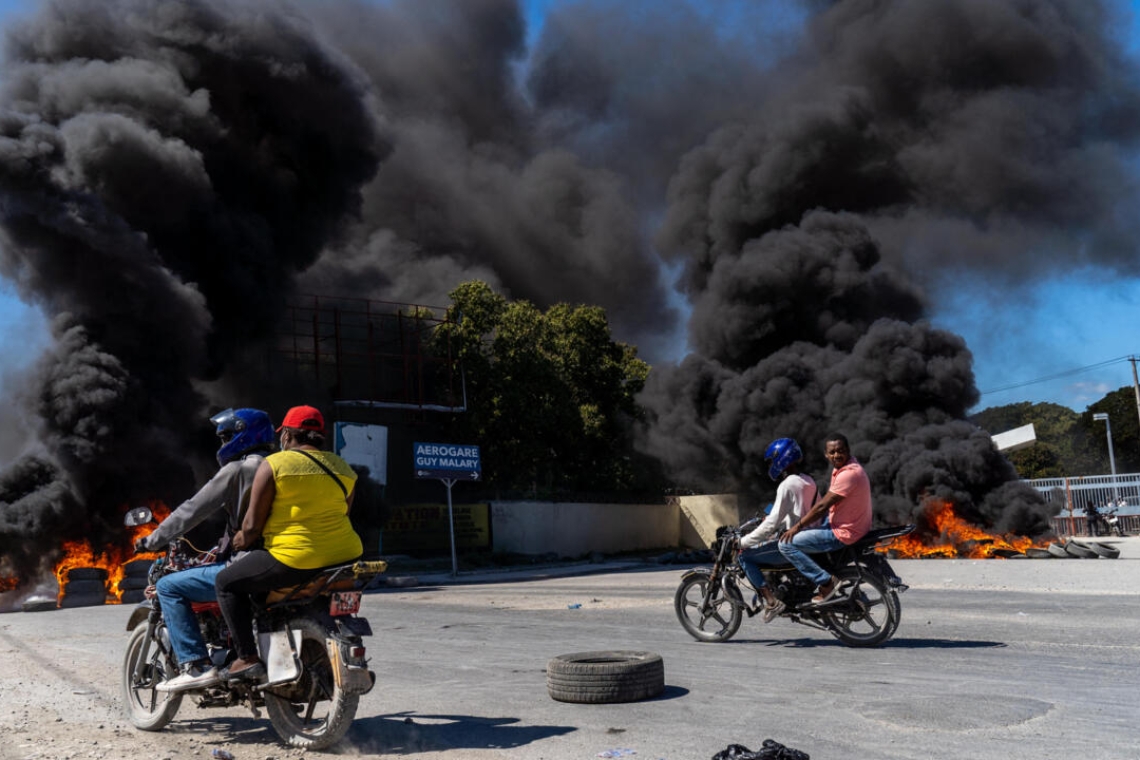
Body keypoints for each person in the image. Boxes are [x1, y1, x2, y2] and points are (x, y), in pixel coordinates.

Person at [215, 405, 363, 682]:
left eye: (283, 435)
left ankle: (246, 658)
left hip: (295, 558)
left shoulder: (274, 464)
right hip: (345, 556)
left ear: (288, 436)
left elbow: (251, 526)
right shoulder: (344, 469)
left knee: (226, 582)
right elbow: (343, 512)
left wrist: (238, 541)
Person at [133, 408, 275, 692]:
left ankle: (195, 664)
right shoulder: (282, 465)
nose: (223, 445)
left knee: (169, 587)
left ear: (242, 436)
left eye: (227, 437)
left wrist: (153, 539)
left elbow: (192, 510)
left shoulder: (238, 470)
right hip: (284, 558)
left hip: (251, 562)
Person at [778, 433, 872, 604]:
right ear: (826, 455)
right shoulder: (849, 466)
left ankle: (826, 583)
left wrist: (796, 527)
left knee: (785, 544)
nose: (837, 455)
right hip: (850, 524)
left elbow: (822, 507)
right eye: (833, 452)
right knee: (808, 533)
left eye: (841, 451)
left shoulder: (848, 474)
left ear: (848, 450)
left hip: (843, 532)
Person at [738, 438, 817, 622]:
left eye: (772, 461)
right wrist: (771, 514)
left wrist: (742, 542)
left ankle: (772, 603)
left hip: (795, 542)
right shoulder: (808, 480)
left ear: (780, 458)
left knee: (745, 556)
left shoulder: (787, 485)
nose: (772, 465)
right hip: (812, 537)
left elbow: (771, 524)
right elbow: (794, 509)